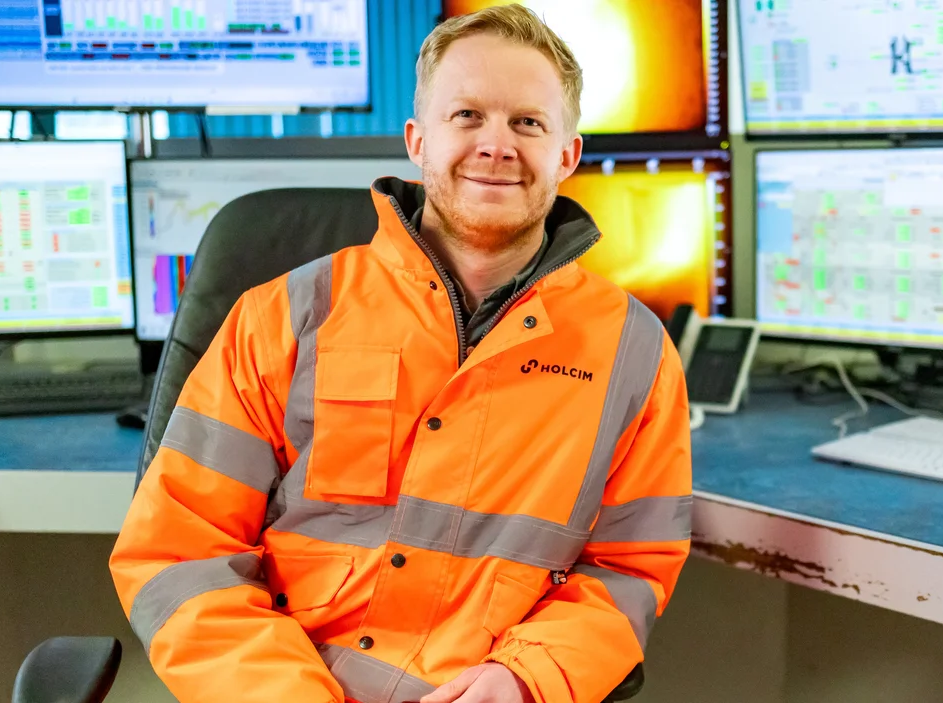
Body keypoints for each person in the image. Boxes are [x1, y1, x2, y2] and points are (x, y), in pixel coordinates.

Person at [109, 5, 693, 703]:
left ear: (568, 155)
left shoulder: (634, 352)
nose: (496, 145)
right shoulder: (283, 316)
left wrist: (526, 678)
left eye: (528, 123)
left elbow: (629, 568)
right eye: (468, 115)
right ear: (418, 141)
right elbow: (178, 552)